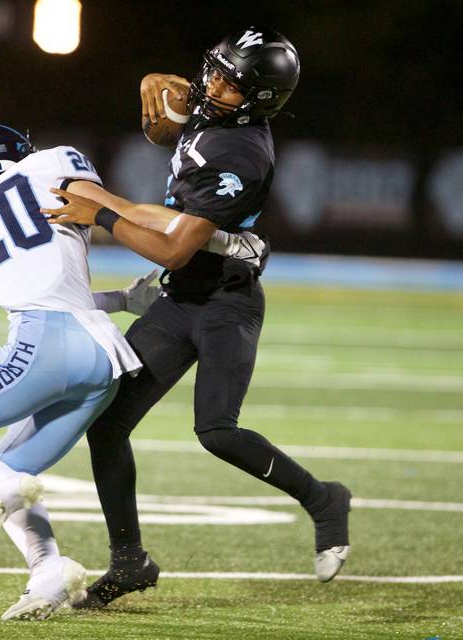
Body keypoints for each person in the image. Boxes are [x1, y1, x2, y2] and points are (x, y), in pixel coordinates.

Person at [40, 26, 352, 609]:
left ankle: (324, 498)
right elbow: (169, 130)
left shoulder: (241, 153)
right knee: (107, 426)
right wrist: (152, 93)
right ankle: (130, 561)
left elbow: (173, 246)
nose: (213, 85)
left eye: (231, 84)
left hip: (222, 303)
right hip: (181, 296)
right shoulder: (221, 114)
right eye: (215, 70)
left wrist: (104, 215)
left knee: (217, 431)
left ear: (259, 100)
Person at [0, 122, 266, 621]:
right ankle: (47, 572)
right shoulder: (54, 164)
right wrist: (210, 249)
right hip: (103, 355)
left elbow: (36, 294)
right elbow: (122, 215)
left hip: (41, 345)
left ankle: (0, 484)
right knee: (14, 465)